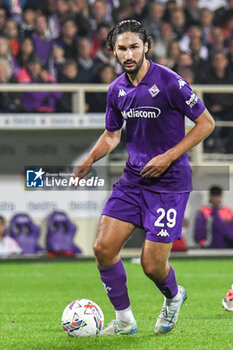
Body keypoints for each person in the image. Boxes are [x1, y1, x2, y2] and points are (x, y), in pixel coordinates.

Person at [73, 20, 215, 336]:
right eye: (121, 48)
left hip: (170, 183)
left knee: (152, 265)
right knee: (103, 248)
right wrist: (89, 159)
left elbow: (206, 123)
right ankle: (124, 320)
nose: (128, 53)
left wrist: (168, 156)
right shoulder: (117, 89)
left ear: (146, 46)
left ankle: (174, 296)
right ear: (113, 51)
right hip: (134, 180)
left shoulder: (169, 82)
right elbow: (112, 135)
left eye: (134, 46)